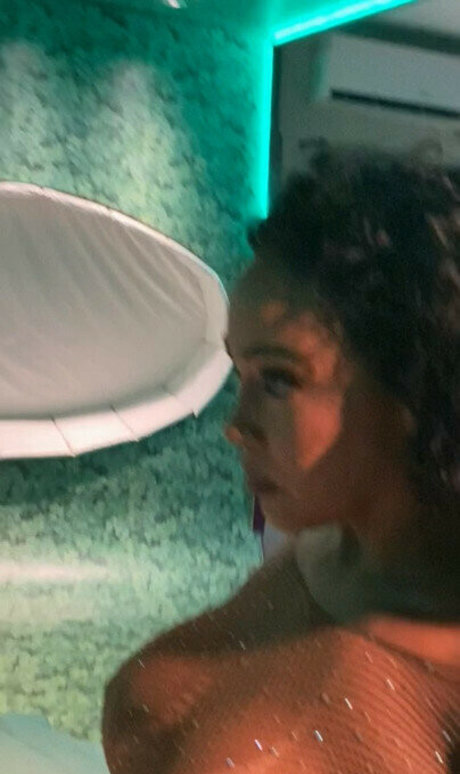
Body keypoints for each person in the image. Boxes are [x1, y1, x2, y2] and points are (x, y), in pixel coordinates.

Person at [102, 149, 460, 773]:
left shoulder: (433, 678)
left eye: (278, 379)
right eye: (240, 373)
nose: (236, 426)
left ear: (413, 387)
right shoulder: (319, 559)